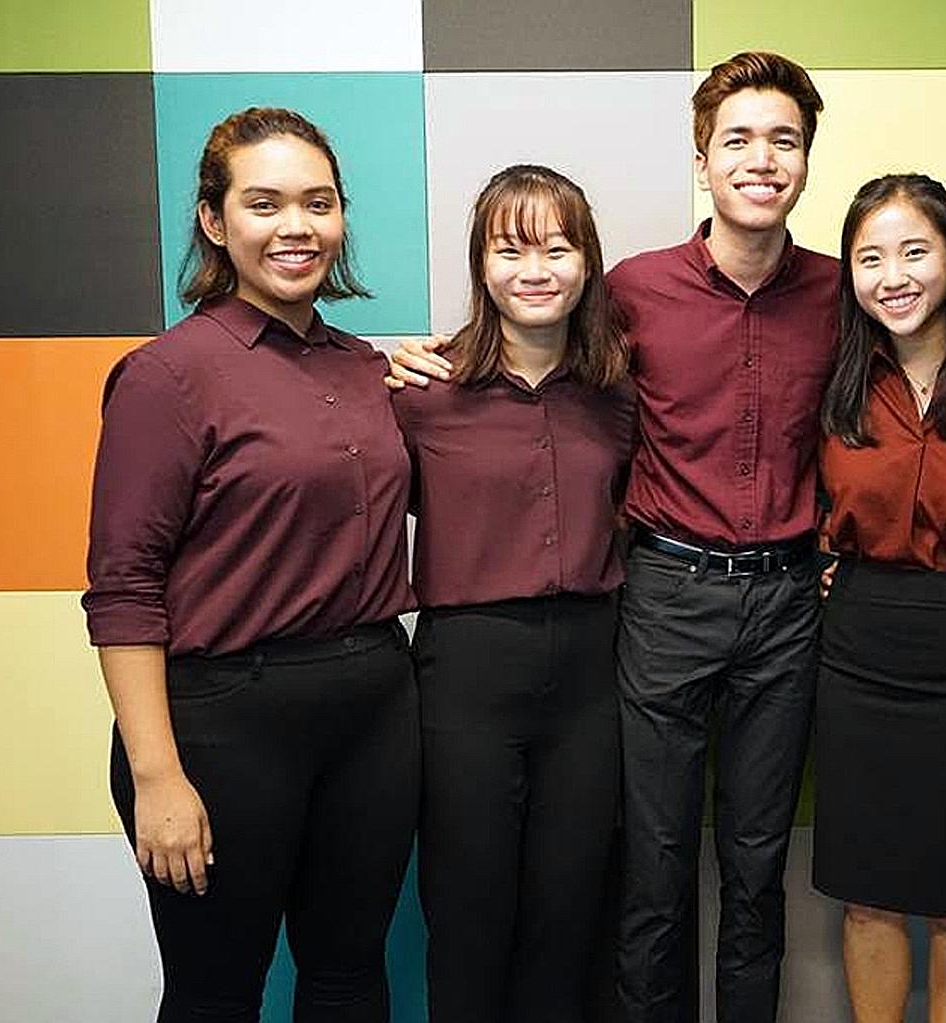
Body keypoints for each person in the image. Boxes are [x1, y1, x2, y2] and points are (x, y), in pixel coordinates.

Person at [388, 51, 837, 1023]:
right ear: (702, 158)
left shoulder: (842, 296)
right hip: (660, 601)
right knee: (648, 868)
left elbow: (923, 404)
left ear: (805, 158)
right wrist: (407, 362)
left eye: (784, 140)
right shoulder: (631, 297)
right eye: (738, 140)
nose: (761, 159)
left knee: (753, 868)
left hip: (779, 603)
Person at [83, 107, 419, 1022]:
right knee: (214, 992)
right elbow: (121, 589)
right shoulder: (166, 376)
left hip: (374, 710)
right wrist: (158, 777)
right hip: (222, 723)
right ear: (213, 221)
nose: (296, 227)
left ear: (343, 215)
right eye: (264, 203)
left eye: (318, 202)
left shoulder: (367, 369)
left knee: (350, 975)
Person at [392, 165, 634, 1023]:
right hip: (466, 672)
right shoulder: (420, 393)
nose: (536, 269)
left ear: (587, 261)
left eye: (557, 247)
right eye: (510, 248)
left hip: (591, 675)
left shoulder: (620, 393)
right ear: (481, 264)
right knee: (468, 913)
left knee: (571, 913)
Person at [813, 173, 946, 1023]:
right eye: (869, 257)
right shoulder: (836, 372)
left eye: (914, 251)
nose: (892, 275)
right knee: (868, 895)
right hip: (857, 647)